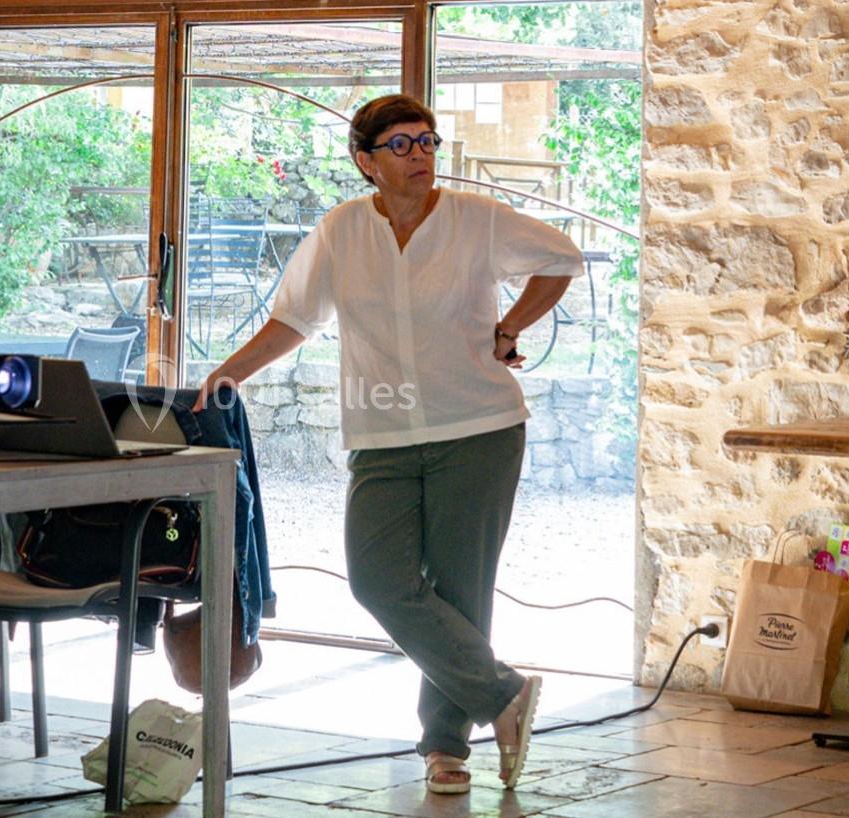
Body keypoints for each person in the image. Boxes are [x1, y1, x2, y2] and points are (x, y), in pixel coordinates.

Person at [193, 94, 583, 793]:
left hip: (479, 429)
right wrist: (230, 371)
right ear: (365, 161)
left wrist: (510, 329)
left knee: (461, 594)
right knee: (378, 580)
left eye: (428, 142)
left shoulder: (477, 221)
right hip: (383, 436)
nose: (420, 157)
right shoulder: (341, 231)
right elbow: (293, 320)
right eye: (401, 145)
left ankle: (445, 748)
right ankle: (505, 697)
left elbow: (562, 258)